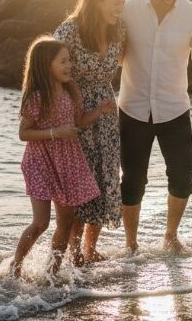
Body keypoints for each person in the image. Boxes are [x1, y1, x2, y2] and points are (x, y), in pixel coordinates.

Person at [119, 0, 192, 253]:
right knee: (133, 181)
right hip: (132, 109)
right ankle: (131, 244)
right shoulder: (126, 7)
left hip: (175, 108)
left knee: (183, 179)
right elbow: (105, 47)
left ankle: (171, 236)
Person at [9, 36, 115, 278]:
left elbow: (78, 123)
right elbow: (23, 133)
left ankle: (52, 273)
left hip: (68, 162)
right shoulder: (36, 97)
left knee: (65, 224)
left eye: (70, 61)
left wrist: (99, 111)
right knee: (40, 223)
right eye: (64, 61)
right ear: (46, 65)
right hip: (41, 162)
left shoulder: (71, 91)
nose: (70, 66)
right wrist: (56, 133)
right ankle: (15, 268)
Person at [53, 0, 128, 264]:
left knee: (105, 177)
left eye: (122, 3)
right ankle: (73, 252)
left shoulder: (119, 30)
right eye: (115, 3)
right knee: (79, 184)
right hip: (75, 112)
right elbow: (50, 69)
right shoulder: (69, 31)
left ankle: (89, 248)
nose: (120, 8)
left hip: (107, 115)